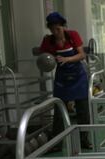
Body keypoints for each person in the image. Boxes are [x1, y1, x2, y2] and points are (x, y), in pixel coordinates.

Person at [39, 12, 91, 150]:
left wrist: (67, 59)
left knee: (83, 110)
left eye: (58, 28)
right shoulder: (48, 41)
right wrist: (48, 59)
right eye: (52, 29)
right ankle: (56, 143)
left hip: (78, 77)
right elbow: (43, 57)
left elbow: (81, 54)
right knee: (59, 111)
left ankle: (84, 140)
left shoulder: (72, 35)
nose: (56, 32)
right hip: (62, 78)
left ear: (63, 26)